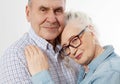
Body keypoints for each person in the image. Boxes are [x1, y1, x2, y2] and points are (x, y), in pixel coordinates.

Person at [25, 11, 120, 84]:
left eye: (74, 40)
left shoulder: (109, 73)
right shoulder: (85, 70)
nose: (72, 51)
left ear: (91, 30)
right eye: (66, 47)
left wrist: (41, 77)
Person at [0, 0, 80, 84]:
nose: (52, 19)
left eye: (58, 10)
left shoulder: (74, 47)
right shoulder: (15, 57)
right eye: (43, 10)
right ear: (28, 13)